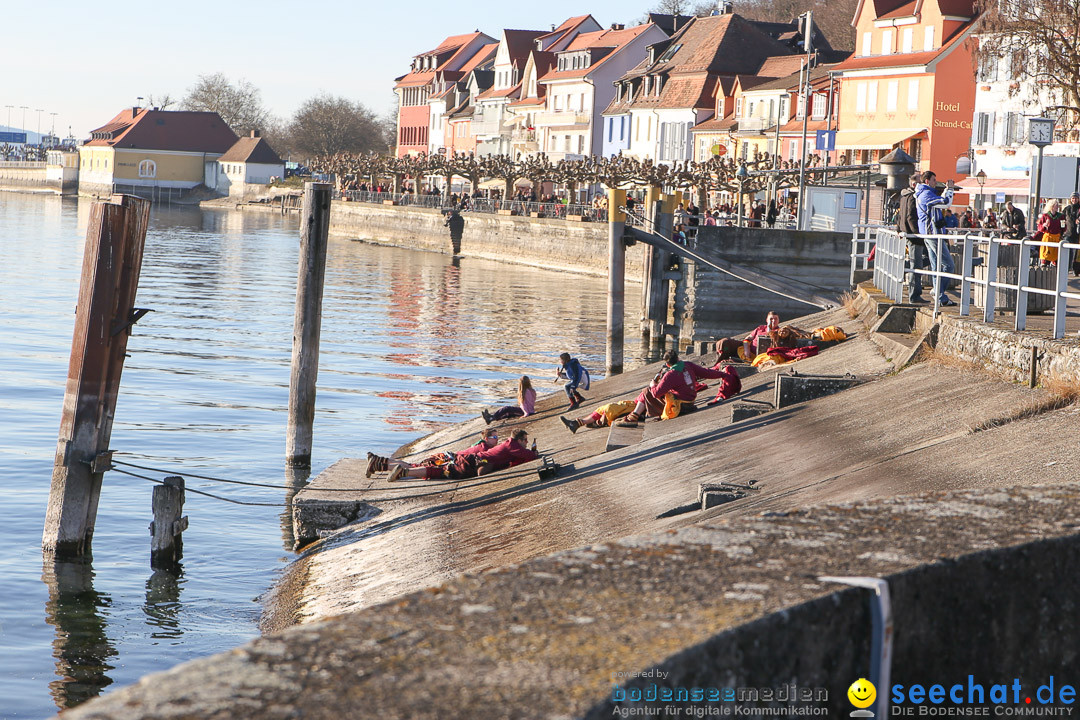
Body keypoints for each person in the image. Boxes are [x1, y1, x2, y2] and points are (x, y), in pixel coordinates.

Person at [617, 350, 730, 424]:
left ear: (667, 364)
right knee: (649, 393)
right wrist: (723, 374)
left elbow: (656, 393)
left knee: (647, 391)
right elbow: (707, 373)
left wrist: (653, 385)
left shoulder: (671, 374)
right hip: (690, 402)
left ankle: (634, 416)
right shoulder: (688, 365)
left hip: (680, 407)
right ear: (678, 358)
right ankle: (636, 415)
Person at [388, 428, 537, 481]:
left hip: (469, 460)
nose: (527, 442)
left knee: (441, 469)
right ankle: (403, 471)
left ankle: (391, 466)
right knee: (442, 471)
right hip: (471, 463)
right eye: (525, 440)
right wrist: (533, 452)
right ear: (519, 439)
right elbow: (530, 457)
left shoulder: (509, 444)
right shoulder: (513, 445)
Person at [366, 429, 498, 477]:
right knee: (413, 467)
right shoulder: (483, 448)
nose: (497, 441)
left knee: (413, 465)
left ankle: (380, 461)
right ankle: (379, 465)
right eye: (494, 438)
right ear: (486, 439)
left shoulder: (480, 445)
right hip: (448, 459)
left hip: (447, 456)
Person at [915, 170, 957, 306]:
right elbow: (945, 203)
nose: (935, 182)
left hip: (929, 234)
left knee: (935, 266)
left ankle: (940, 297)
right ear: (927, 181)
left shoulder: (923, 193)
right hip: (932, 234)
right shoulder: (926, 194)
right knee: (949, 265)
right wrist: (950, 189)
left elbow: (940, 203)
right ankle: (938, 291)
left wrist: (946, 190)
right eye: (934, 180)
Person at [897, 176, 927, 303]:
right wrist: (918, 234)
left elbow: (900, 215)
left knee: (916, 263)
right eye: (920, 183)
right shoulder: (912, 197)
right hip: (913, 236)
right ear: (915, 185)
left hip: (906, 233)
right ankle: (914, 296)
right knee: (916, 266)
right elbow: (910, 216)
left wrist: (898, 229)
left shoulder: (904, 196)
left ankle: (903, 270)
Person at [560, 399, 637, 433]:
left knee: (610, 408)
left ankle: (599, 422)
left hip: (635, 407)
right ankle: (578, 423)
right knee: (603, 408)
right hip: (635, 405)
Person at [1036, 199, 1064, 267]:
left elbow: (1063, 228)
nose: (1057, 207)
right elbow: (1040, 227)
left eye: (1057, 205)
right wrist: (1044, 225)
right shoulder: (1045, 216)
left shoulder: (1061, 216)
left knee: (1055, 256)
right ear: (1051, 206)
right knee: (1046, 255)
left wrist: (1064, 226)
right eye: (1055, 205)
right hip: (1048, 237)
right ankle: (1044, 266)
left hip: (1056, 238)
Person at [1064, 193, 1080, 275]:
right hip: (1068, 233)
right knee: (1068, 252)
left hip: (1077, 234)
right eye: (1073, 198)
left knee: (1076, 253)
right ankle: (1066, 268)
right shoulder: (1067, 209)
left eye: (1076, 198)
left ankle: (1075, 269)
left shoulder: (1079, 209)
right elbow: (1061, 218)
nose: (1074, 200)